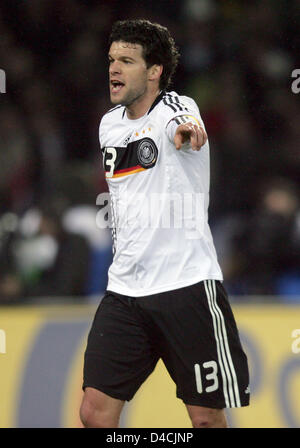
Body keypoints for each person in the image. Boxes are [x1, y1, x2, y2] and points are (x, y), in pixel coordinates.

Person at [80, 19, 249, 429]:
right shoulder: (109, 125)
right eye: (111, 60)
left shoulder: (178, 108)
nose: (113, 69)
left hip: (186, 286)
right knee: (93, 414)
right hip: (126, 291)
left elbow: (183, 124)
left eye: (126, 61)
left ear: (154, 71)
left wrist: (187, 133)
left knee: (206, 418)